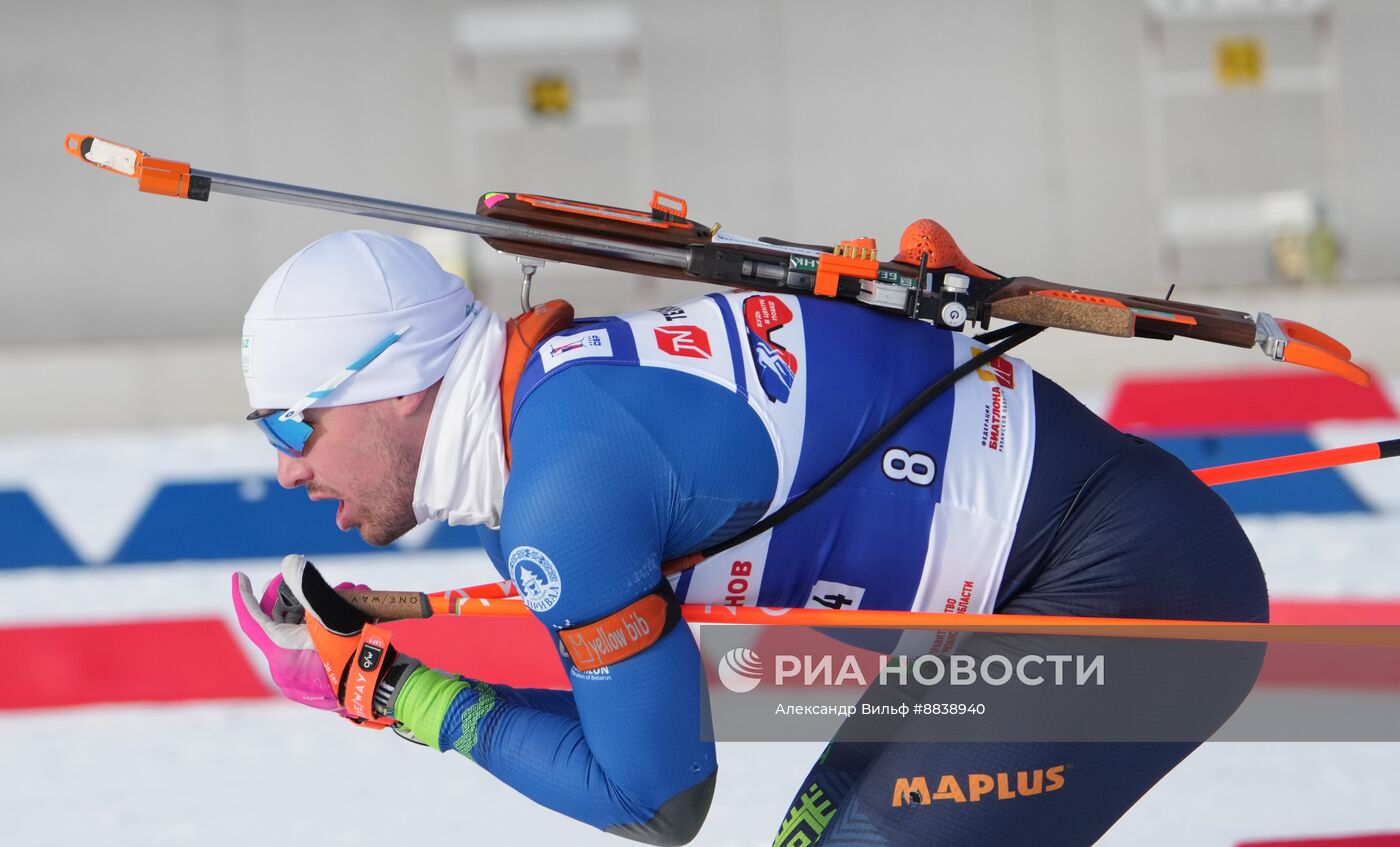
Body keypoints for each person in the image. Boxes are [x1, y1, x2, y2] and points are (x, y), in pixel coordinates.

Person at [232, 229, 1268, 846]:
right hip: (1063, 586)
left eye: (292, 421)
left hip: (1127, 594)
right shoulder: (554, 433)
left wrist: (398, 696)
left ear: (399, 389)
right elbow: (656, 724)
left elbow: (657, 799)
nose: (285, 464)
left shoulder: (562, 495)